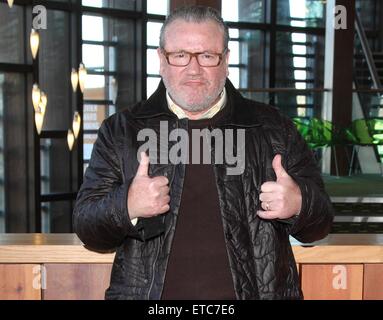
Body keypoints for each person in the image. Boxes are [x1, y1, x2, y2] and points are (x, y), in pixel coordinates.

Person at [73, 5, 334, 300]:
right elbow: (87, 226)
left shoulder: (274, 128)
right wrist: (127, 206)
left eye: (208, 56)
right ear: (162, 59)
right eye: (180, 55)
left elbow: (321, 223)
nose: (194, 69)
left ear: (225, 60)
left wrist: (299, 203)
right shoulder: (121, 130)